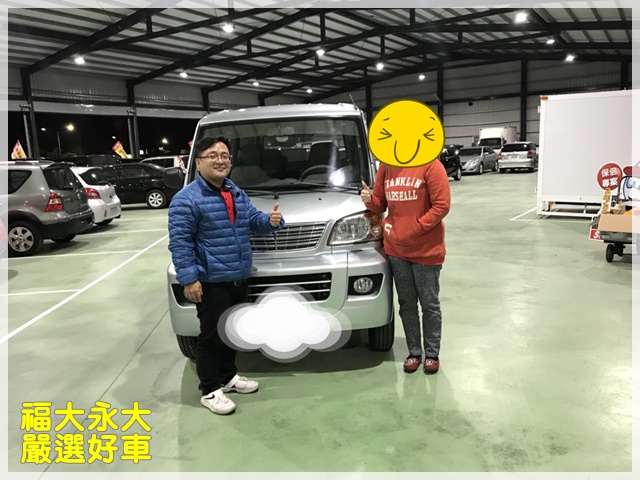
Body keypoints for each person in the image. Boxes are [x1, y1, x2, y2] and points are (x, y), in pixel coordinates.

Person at [168, 136, 284, 415]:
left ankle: (228, 377)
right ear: (198, 163)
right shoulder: (186, 199)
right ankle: (209, 389)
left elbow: (252, 221)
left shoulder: (235, 192)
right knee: (211, 337)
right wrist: (189, 279)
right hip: (211, 280)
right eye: (212, 155)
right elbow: (180, 243)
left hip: (238, 276)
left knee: (231, 331)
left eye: (224, 156)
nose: (220, 160)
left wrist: (270, 222)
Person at [361, 160, 450, 374]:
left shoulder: (431, 165)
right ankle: (414, 352)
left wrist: (414, 228)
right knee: (407, 303)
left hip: (426, 250)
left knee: (429, 303)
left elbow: (441, 206)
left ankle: (432, 353)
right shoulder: (387, 167)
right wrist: (369, 200)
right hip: (396, 250)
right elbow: (380, 204)